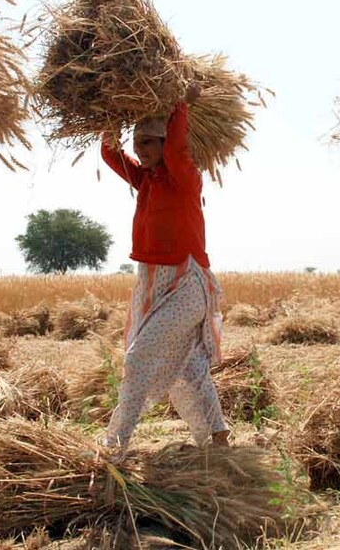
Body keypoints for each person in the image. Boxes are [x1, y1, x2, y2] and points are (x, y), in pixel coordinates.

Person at [98, 84, 229, 454]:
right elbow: (110, 153)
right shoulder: (145, 180)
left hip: (187, 282)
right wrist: (110, 117)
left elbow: (176, 149)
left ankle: (116, 442)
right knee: (187, 367)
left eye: (150, 142)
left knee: (139, 357)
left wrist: (180, 105)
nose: (141, 149)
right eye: (138, 143)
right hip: (153, 282)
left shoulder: (185, 179)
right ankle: (218, 437)